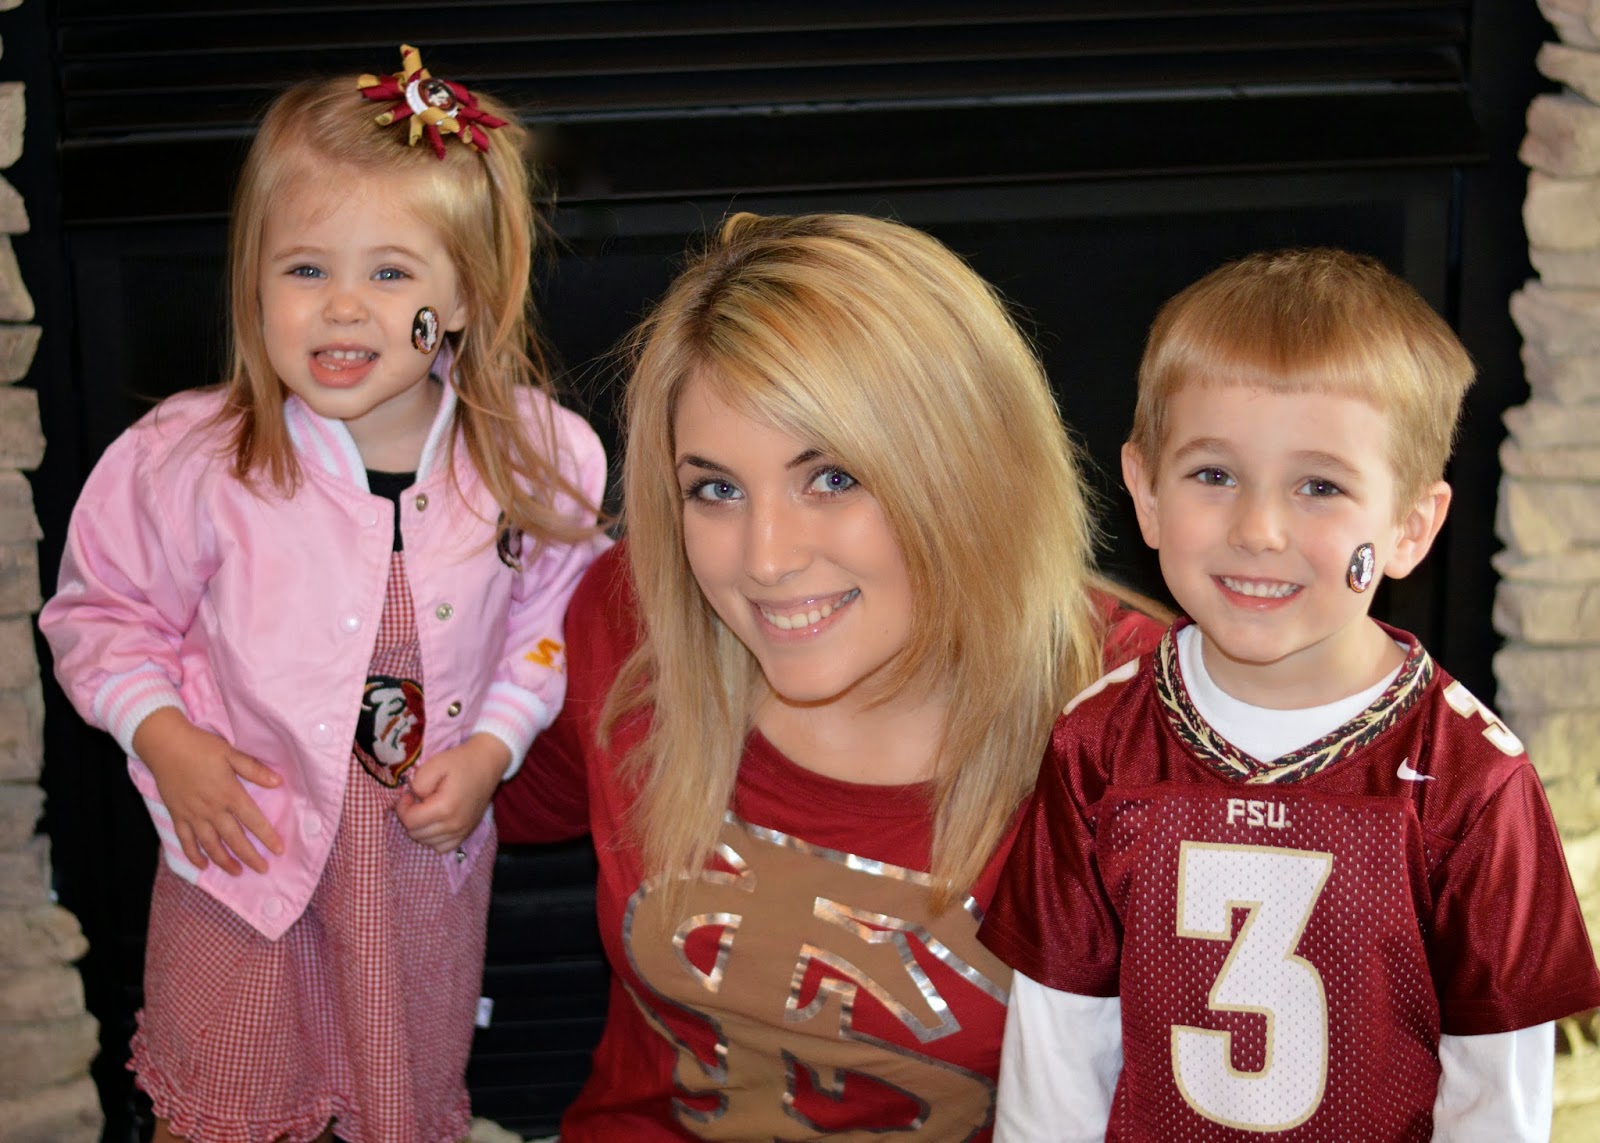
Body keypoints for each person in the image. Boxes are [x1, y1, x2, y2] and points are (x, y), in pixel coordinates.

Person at [494, 211, 1165, 1141]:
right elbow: (443, 812)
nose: (765, 558)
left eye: (834, 477)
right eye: (716, 489)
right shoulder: (633, 619)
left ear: (969, 467)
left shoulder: (1144, 725)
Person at [38, 45, 606, 1143]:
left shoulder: (532, 462)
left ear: (465, 295)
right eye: (305, 269)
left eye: (391, 275)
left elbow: (551, 625)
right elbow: (102, 614)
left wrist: (493, 749)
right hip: (241, 855)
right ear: (254, 279)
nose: (344, 309)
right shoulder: (195, 461)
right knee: (233, 1090)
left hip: (411, 870)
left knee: (392, 1090)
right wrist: (165, 739)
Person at [978, 248, 1600, 1141]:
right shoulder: (1098, 746)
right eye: (1214, 475)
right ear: (1145, 492)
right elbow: (1057, 1066)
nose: (1259, 529)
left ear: (1409, 527)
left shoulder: (1472, 782)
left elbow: (1493, 1098)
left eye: (1320, 486)